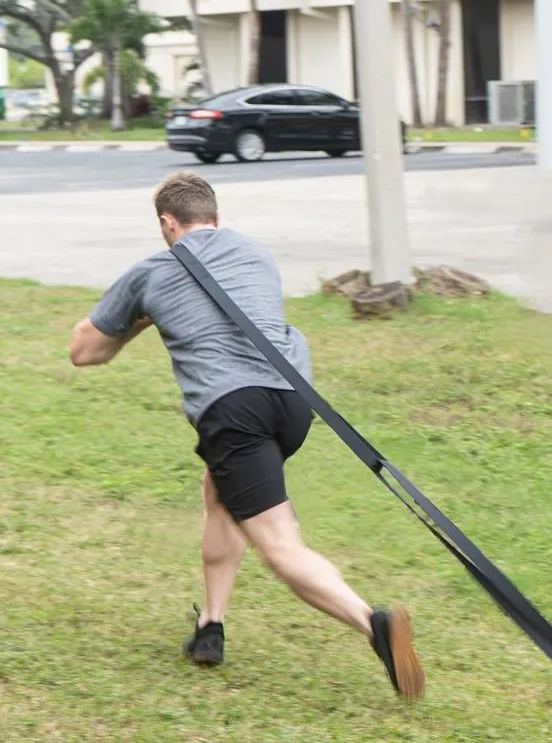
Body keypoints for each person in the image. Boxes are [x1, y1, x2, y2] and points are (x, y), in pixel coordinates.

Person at [68, 171, 424, 700]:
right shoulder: (256, 254)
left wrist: (142, 318)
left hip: (234, 411)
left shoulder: (152, 272)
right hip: (293, 399)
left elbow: (84, 351)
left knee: (279, 544)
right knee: (221, 496)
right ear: (215, 217)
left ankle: (372, 623)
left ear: (168, 223)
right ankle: (210, 627)